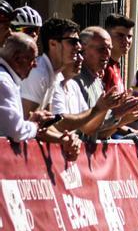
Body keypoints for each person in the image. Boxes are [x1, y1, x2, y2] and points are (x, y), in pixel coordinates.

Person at [0, 33, 81, 161]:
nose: (35, 65)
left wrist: (63, 139)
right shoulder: (4, 80)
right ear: (17, 58)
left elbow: (43, 126)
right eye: (31, 59)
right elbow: (16, 130)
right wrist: (34, 124)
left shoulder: (9, 78)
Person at [20, 17, 79, 118]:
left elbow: (46, 123)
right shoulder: (38, 73)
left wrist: (63, 135)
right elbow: (26, 122)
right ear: (53, 44)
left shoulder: (56, 74)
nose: (79, 46)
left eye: (78, 41)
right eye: (72, 41)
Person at [103, 14, 134, 93]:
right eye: (120, 35)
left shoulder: (115, 65)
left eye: (129, 36)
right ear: (107, 35)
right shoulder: (103, 67)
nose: (126, 40)